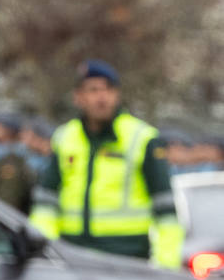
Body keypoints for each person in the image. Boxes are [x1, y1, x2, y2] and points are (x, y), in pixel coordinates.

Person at [30, 60, 182, 268]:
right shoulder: (65, 137)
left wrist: (167, 267)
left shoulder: (142, 138)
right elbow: (45, 204)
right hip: (71, 256)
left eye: (108, 89)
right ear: (78, 97)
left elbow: (165, 211)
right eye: (93, 90)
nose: (102, 97)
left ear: (117, 94)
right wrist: (44, 252)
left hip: (126, 257)